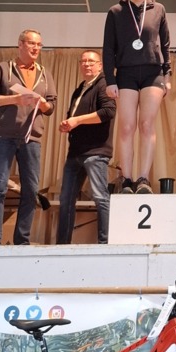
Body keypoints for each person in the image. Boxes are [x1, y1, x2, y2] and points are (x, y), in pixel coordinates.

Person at [0, 29, 56, 245]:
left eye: (39, 45)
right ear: (20, 44)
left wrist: (43, 104)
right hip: (3, 137)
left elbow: (51, 107)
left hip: (31, 138)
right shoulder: (3, 68)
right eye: (32, 43)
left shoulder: (45, 73)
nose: (36, 48)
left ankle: (22, 242)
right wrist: (14, 99)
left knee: (31, 191)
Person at [102, 0, 170, 194]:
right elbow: (108, 49)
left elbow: (166, 43)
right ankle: (127, 179)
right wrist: (110, 80)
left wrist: (167, 74)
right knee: (127, 126)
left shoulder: (159, 10)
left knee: (147, 124)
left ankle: (143, 179)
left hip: (153, 72)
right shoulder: (116, 12)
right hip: (126, 73)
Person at [57, 50, 116, 244]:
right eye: (83, 61)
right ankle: (62, 245)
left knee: (100, 197)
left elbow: (108, 111)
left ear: (100, 65)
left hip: (96, 151)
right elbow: (74, 117)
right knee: (66, 200)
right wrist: (68, 124)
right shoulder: (80, 88)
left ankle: (104, 244)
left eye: (91, 61)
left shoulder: (104, 84)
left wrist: (77, 120)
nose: (87, 64)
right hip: (75, 152)